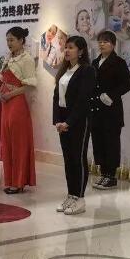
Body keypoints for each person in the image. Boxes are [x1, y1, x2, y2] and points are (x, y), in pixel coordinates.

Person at [53, 35, 96, 215]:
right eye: (66, 47)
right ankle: (71, 195)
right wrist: (57, 120)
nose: (67, 50)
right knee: (68, 159)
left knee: (78, 158)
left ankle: (80, 198)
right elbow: (56, 97)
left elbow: (83, 100)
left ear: (81, 51)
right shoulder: (64, 70)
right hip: (63, 120)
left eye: (71, 47)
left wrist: (69, 122)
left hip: (79, 120)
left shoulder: (87, 70)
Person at [90, 30, 130, 190]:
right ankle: (103, 174)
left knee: (111, 142)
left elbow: (127, 84)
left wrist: (111, 95)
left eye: (106, 41)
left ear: (113, 44)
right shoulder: (94, 62)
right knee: (98, 142)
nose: (102, 44)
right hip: (95, 109)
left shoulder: (119, 62)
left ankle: (111, 176)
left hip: (111, 110)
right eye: (100, 41)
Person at [0, 26, 37, 194]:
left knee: (18, 144)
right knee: (7, 143)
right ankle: (10, 180)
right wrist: (0, 93)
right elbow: (3, 81)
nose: (9, 43)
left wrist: (10, 94)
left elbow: (30, 86)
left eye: (12, 40)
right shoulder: (9, 58)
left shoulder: (27, 59)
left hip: (17, 105)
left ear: (21, 40)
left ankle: (18, 182)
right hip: (6, 104)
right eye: (7, 40)